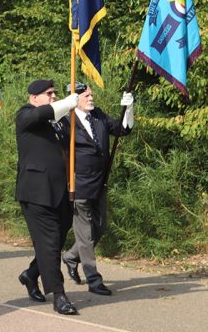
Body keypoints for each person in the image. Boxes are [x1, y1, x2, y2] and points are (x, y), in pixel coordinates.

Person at [61, 83, 134, 296]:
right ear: (75, 99)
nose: (91, 98)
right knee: (84, 234)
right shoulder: (66, 121)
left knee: (99, 227)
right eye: (86, 95)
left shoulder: (98, 115)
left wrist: (128, 110)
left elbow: (121, 129)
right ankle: (93, 279)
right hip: (78, 185)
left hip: (99, 183)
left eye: (91, 94)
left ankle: (71, 256)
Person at [15, 79, 78, 315]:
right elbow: (38, 115)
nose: (54, 96)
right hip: (36, 193)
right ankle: (59, 295)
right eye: (49, 94)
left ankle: (31, 274)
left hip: (61, 191)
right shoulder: (25, 116)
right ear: (34, 98)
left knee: (56, 241)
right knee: (50, 243)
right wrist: (65, 103)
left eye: (55, 93)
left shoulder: (59, 123)